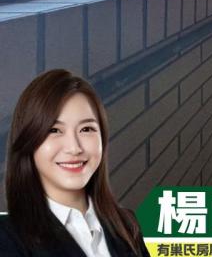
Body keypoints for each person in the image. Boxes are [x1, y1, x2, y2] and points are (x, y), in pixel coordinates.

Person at [0, 69, 150, 256]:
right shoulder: (7, 238)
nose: (74, 148)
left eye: (86, 129)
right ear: (28, 139)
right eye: (54, 130)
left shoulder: (126, 226)